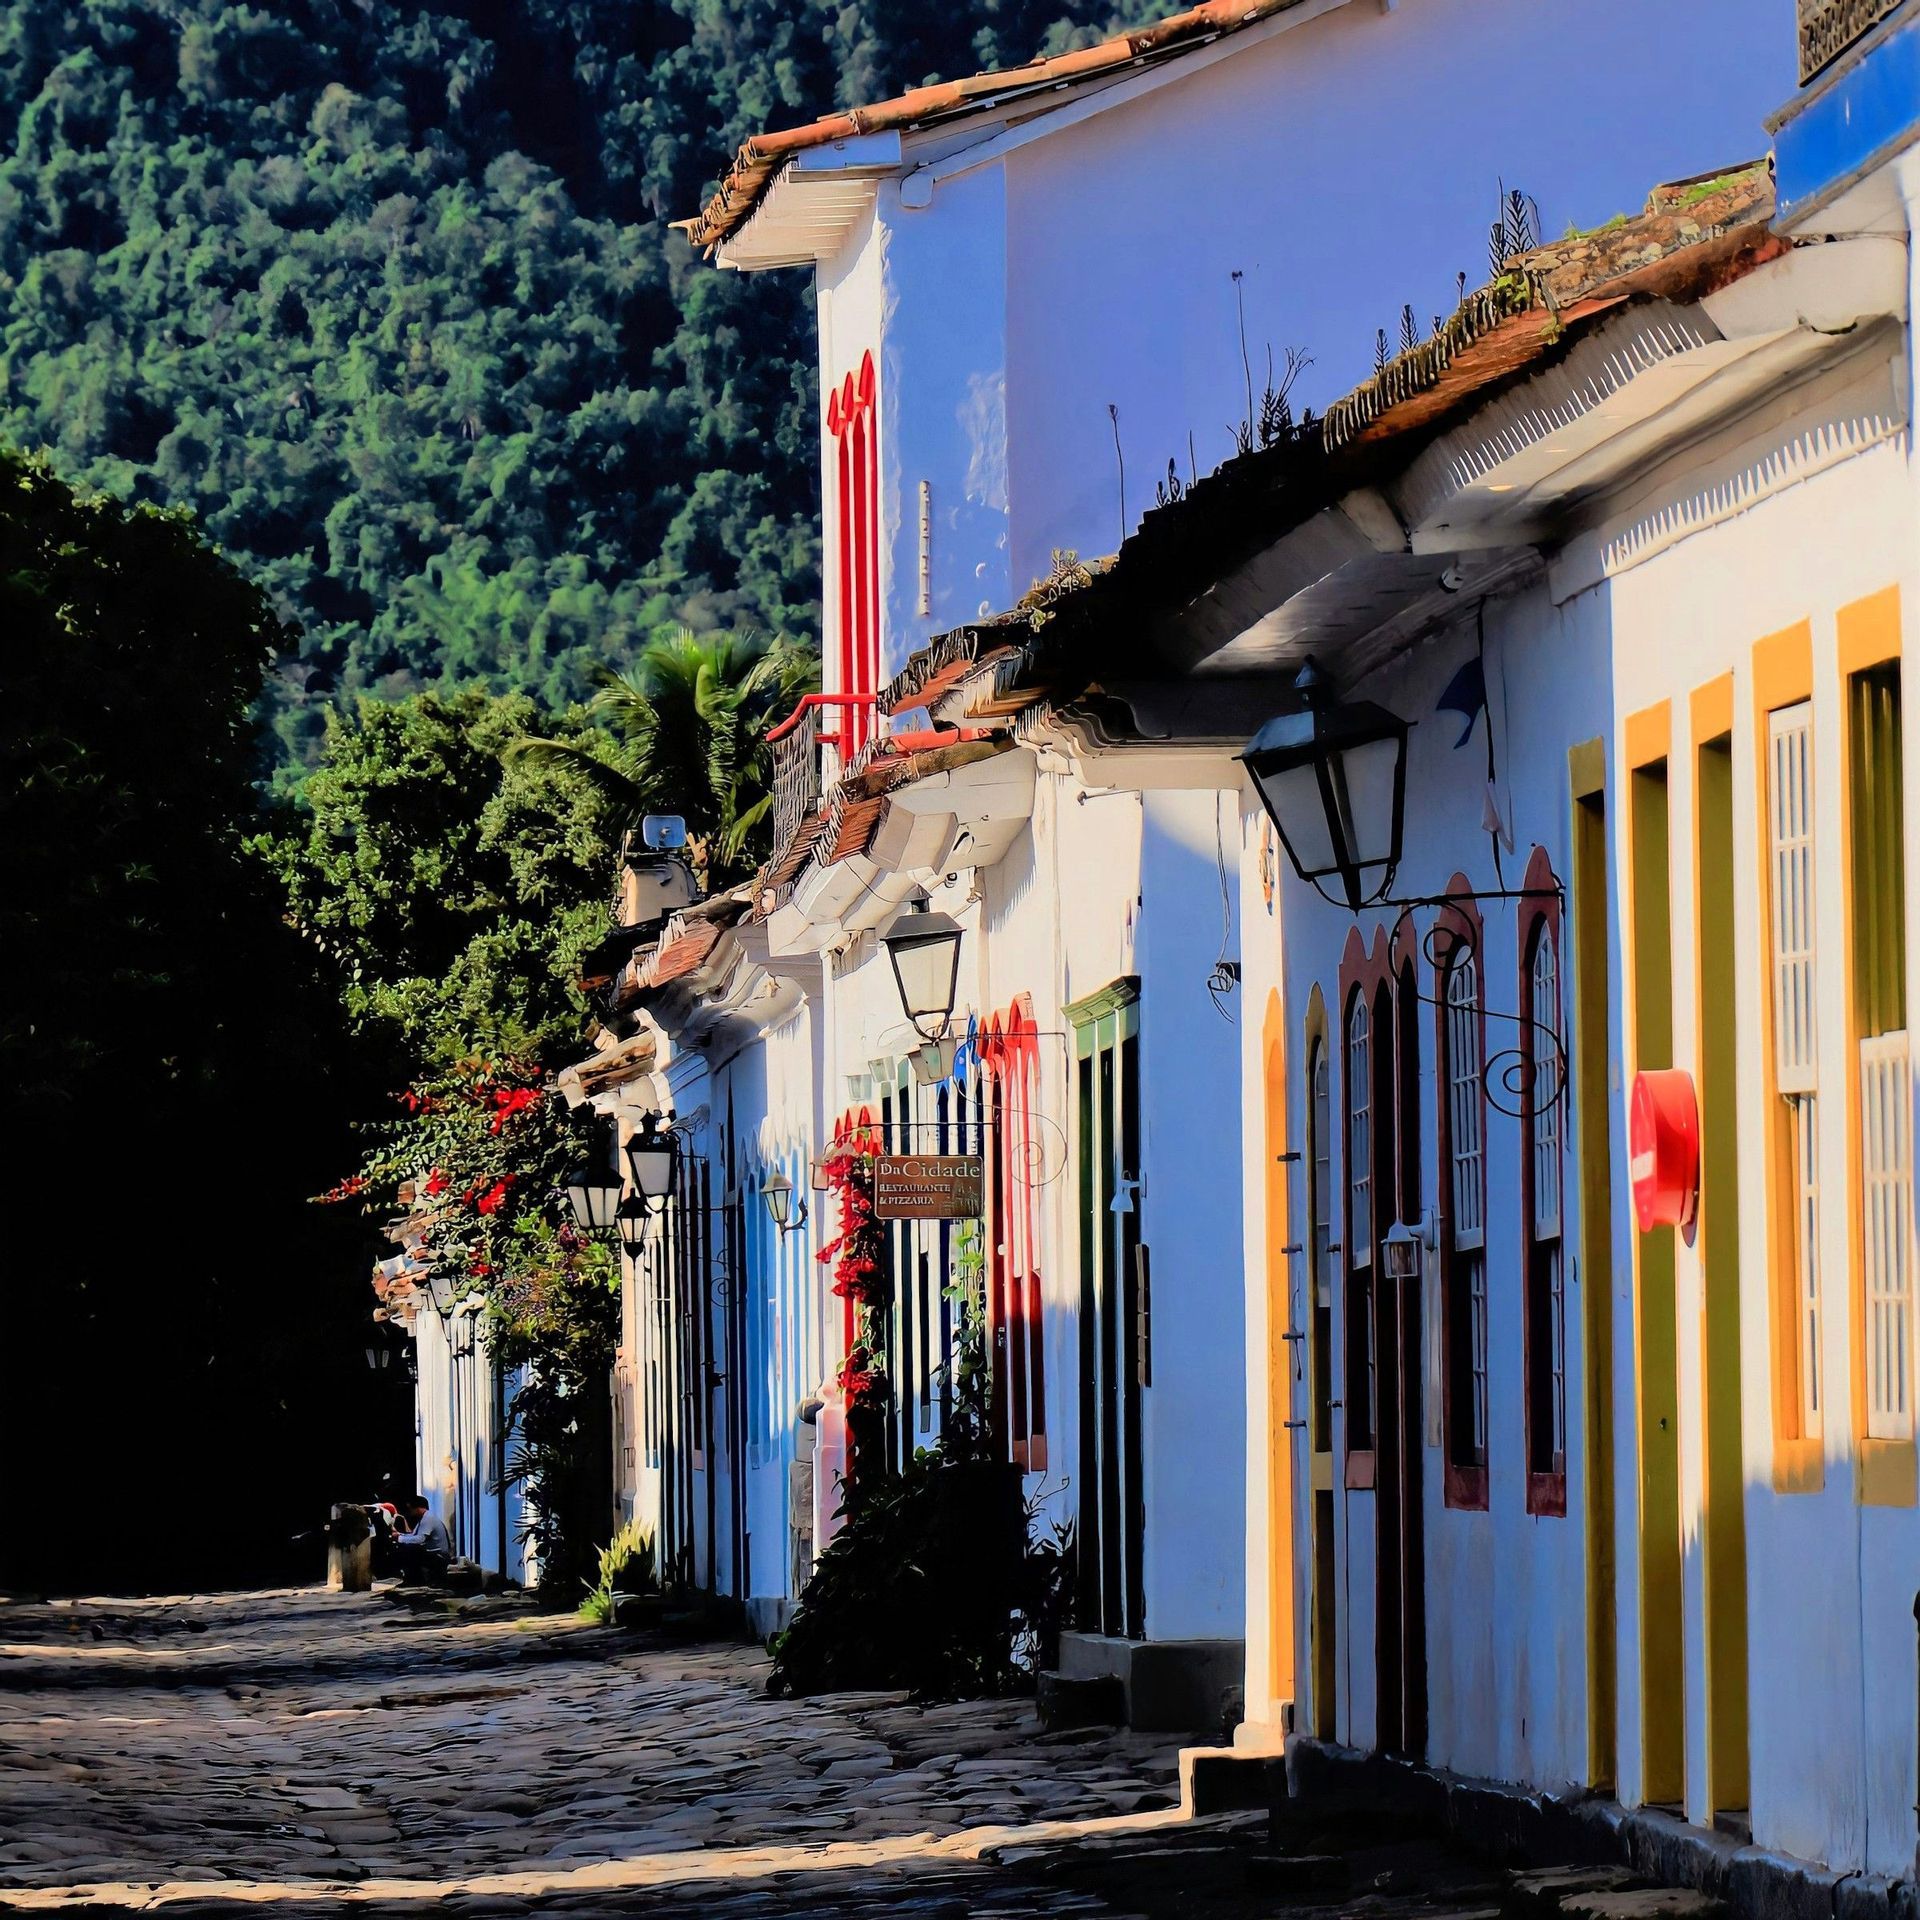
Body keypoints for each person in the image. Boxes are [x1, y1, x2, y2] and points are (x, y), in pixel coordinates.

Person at [394, 1495, 451, 1585]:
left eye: (411, 1508)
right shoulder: (424, 1518)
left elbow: (420, 1539)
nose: (410, 1511)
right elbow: (414, 1535)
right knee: (407, 1548)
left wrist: (400, 1539)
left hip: (438, 1557)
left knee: (408, 1551)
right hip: (433, 1554)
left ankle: (414, 1580)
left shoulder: (428, 1519)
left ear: (417, 1508)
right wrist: (400, 1535)